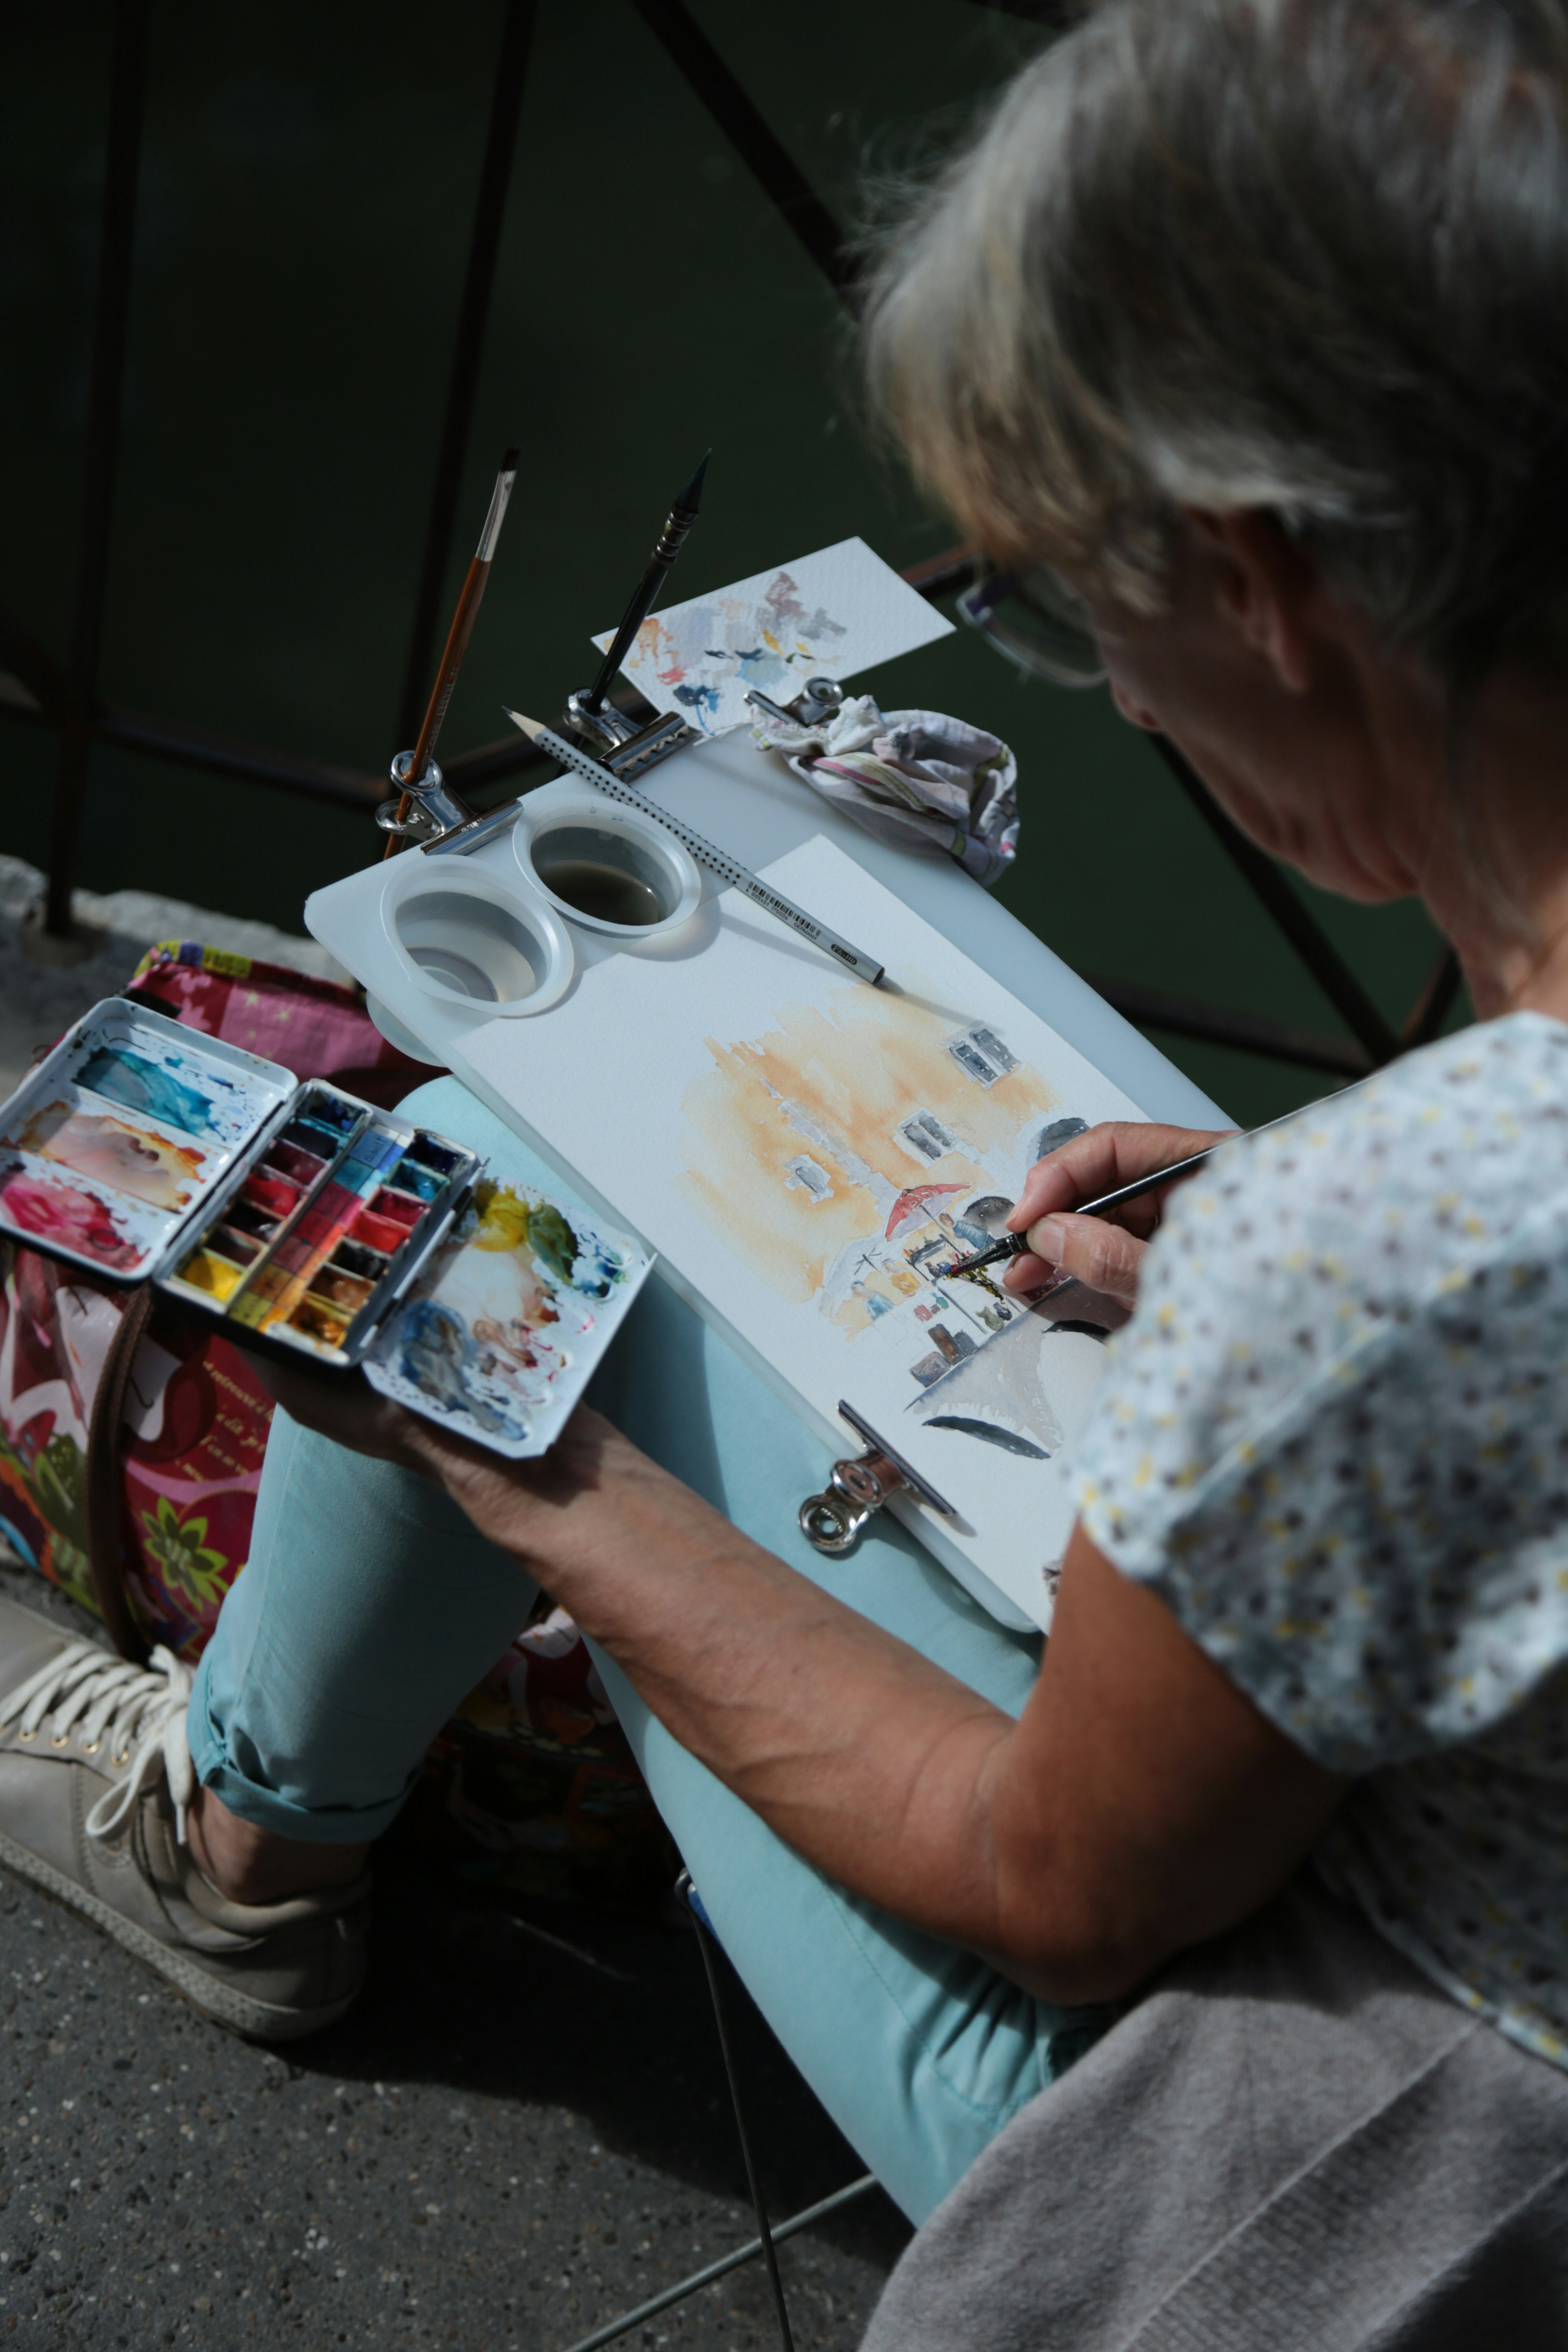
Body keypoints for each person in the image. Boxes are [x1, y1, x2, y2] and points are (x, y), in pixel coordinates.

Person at [4, 0, 1568, 2336]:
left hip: (1378, 2182)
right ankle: (247, 1819)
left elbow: (1051, 1887)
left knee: (488, 1189)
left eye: (1076, 603)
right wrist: (1316, 1264)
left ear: (1255, 582)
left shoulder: (1412, 1246)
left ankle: (237, 1846)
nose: (1123, 700)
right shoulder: (1430, 1226)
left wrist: (517, 1443)